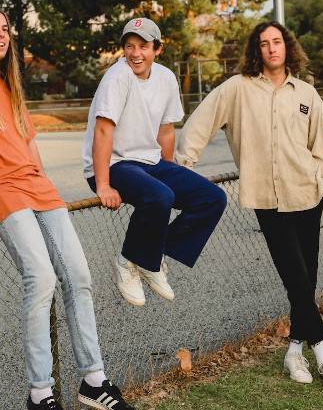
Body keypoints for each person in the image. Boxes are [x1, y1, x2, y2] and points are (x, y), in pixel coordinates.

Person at [0, 6, 141, 410]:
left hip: (36, 187)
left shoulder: (9, 83)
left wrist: (44, 184)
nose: (0, 35)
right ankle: (40, 393)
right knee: (41, 277)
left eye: (5, 29)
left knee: (79, 275)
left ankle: (94, 379)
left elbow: (29, 144)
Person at [177, 21, 323, 388]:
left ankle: (293, 353)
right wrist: (182, 169)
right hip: (267, 199)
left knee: (306, 278)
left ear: (287, 47)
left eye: (277, 42)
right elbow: (200, 123)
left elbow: (322, 145)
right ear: (255, 51)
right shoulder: (237, 89)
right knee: (295, 276)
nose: (272, 48)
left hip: (308, 193)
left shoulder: (306, 93)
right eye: (264, 43)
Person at [82, 18, 227, 307]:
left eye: (143, 47)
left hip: (150, 161)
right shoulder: (117, 77)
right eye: (130, 46)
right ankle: (128, 261)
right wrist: (102, 184)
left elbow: (166, 130)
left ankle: (149, 256)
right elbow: (102, 130)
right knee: (161, 195)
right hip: (114, 164)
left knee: (212, 198)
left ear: (157, 49)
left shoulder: (165, 78)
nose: (136, 53)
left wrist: (170, 169)